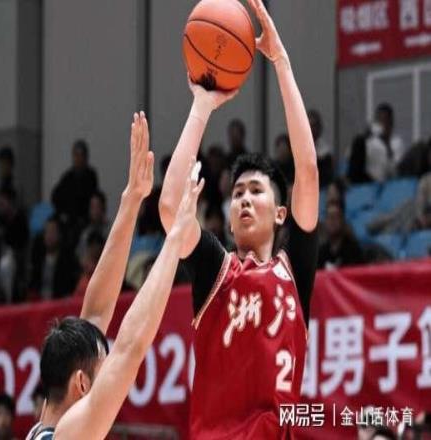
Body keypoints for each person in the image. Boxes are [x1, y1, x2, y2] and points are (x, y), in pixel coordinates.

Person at [159, 1, 319, 437]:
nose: (245, 200)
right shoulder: (217, 269)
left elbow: (307, 171)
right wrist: (201, 106)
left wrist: (281, 63)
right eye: (237, 194)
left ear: (281, 213)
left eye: (256, 191)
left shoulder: (294, 271)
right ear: (228, 221)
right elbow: (170, 208)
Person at [26, 113, 203, 439]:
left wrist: (132, 198)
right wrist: (176, 238)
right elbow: (129, 349)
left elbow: (96, 311)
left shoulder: (45, 426)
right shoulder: (67, 436)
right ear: (82, 383)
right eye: (104, 370)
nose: (112, 378)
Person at [29, 217, 80, 300]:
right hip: (39, 303)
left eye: (52, 231)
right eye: (47, 232)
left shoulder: (67, 260)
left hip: (58, 303)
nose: (49, 236)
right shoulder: (38, 258)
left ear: (59, 235)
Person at [51, 139, 98, 229]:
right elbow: (55, 197)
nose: (79, 159)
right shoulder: (67, 177)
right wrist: (63, 214)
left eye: (81, 155)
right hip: (69, 220)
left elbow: (93, 198)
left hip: (85, 220)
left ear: (86, 157)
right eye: (76, 155)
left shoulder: (91, 176)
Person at [318, 202, 364, 269]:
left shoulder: (353, 250)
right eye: (329, 217)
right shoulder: (321, 252)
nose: (332, 221)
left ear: (343, 220)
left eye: (336, 217)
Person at [308, 109, 333, 187]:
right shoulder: (296, 148)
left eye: (314, 126)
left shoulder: (325, 153)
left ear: (319, 128)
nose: (311, 129)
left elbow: (326, 178)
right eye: (309, 125)